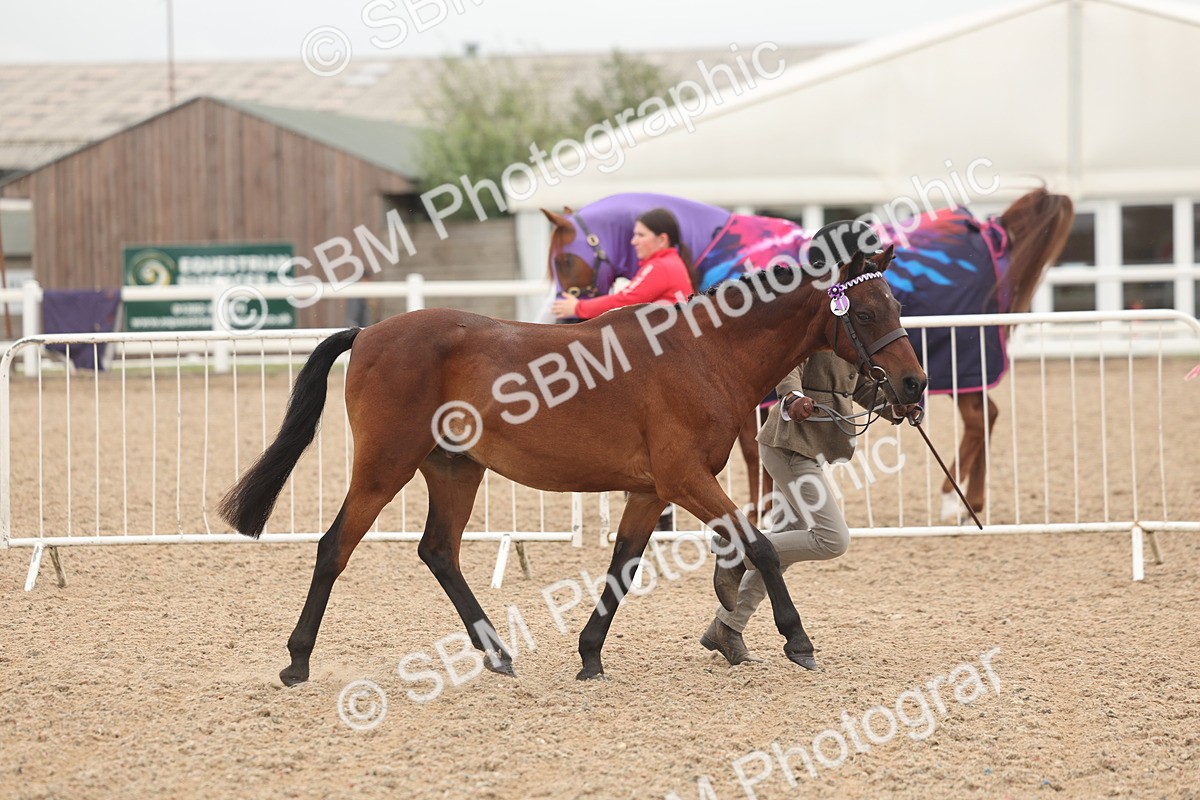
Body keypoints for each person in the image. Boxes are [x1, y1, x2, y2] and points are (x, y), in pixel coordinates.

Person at [701, 351, 920, 666]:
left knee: (784, 548)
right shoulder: (820, 321)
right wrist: (791, 397)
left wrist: (895, 407)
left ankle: (727, 626)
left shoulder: (849, 334)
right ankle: (737, 546)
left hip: (810, 448)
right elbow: (789, 363)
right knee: (832, 539)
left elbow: (856, 388)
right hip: (791, 446)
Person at [550, 208, 693, 321]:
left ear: (662, 240)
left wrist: (578, 307)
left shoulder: (660, 267)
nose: (633, 241)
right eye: (634, 234)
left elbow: (623, 302)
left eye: (641, 235)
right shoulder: (670, 263)